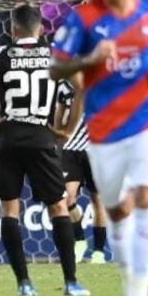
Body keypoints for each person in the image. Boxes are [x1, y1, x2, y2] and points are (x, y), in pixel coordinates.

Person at [49, 0, 148, 296]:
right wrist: (90, 60)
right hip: (103, 131)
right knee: (117, 212)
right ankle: (130, 281)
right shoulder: (83, 19)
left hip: (147, 125)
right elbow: (55, 69)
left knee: (146, 197)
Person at [0, 4, 90, 296]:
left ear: (13, 29)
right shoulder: (55, 54)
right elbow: (81, 87)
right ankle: (71, 282)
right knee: (58, 206)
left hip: (8, 136)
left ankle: (24, 283)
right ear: (41, 28)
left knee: (10, 210)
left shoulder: (1, 54)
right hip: (42, 136)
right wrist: (68, 129)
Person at [53, 79, 107, 264]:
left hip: (95, 148)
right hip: (69, 149)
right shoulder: (63, 86)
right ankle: (80, 240)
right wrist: (56, 137)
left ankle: (99, 252)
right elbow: (58, 118)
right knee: (67, 199)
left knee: (97, 200)